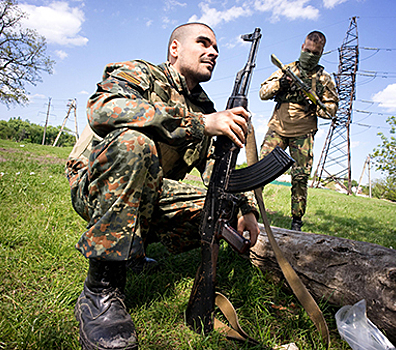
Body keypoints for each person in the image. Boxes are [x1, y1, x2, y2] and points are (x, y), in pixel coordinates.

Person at [64, 23, 260, 350]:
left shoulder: (206, 108)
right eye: (203, 43)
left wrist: (244, 207)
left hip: (151, 192)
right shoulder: (140, 73)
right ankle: (100, 291)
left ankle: (135, 249)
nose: (213, 52)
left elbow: (217, 172)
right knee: (134, 143)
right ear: (174, 49)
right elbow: (103, 109)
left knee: (218, 207)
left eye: (216, 48)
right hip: (97, 184)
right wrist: (199, 125)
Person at [259, 31, 338, 231]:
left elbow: (330, 111)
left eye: (315, 53)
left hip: (303, 132)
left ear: (321, 54)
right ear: (302, 47)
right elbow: (263, 93)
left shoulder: (324, 79)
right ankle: (249, 208)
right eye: (308, 50)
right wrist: (281, 84)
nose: (310, 55)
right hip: (277, 128)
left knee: (300, 177)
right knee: (259, 170)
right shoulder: (286, 70)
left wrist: (314, 101)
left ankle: (297, 220)